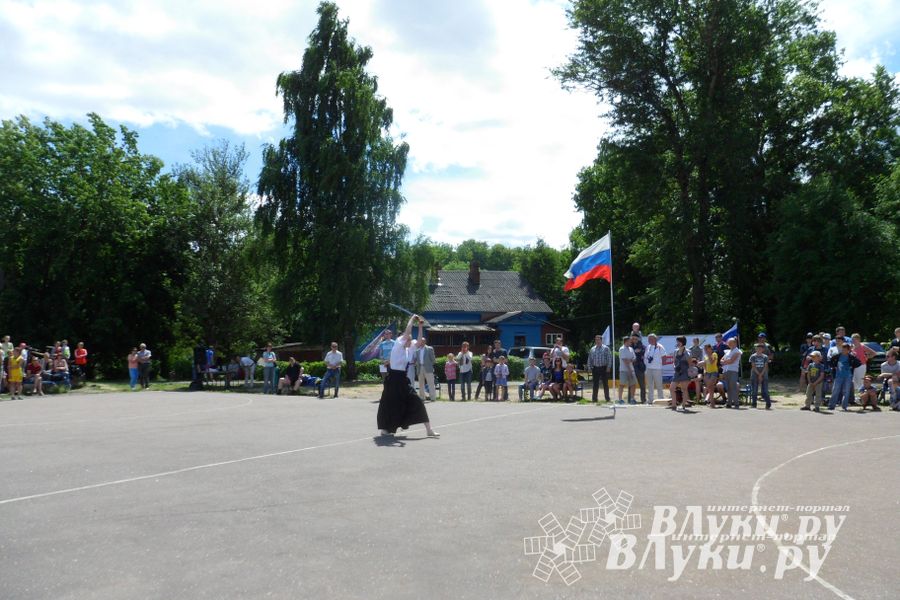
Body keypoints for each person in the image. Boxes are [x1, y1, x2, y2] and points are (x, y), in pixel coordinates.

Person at [377, 315, 439, 437]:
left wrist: (420, 326)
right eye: (409, 340)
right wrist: (412, 318)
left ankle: (429, 430)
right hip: (393, 379)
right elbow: (408, 331)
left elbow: (419, 342)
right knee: (389, 404)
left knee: (418, 401)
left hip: (403, 379)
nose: (411, 342)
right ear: (403, 340)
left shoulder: (408, 350)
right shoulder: (397, 346)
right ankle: (385, 428)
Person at [828, 343, 860, 411]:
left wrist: (852, 366)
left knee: (846, 391)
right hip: (838, 376)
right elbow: (830, 362)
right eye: (842, 349)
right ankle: (831, 405)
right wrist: (834, 367)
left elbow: (858, 363)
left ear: (848, 350)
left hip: (848, 376)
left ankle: (844, 406)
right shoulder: (837, 356)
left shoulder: (851, 357)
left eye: (845, 350)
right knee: (835, 390)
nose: (843, 351)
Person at [587, 334, 612, 403]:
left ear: (601, 340)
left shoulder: (606, 348)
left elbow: (609, 358)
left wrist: (608, 367)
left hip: (604, 368)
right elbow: (589, 359)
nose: (597, 341)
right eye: (596, 340)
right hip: (595, 368)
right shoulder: (592, 349)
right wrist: (589, 367)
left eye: (598, 339)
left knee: (605, 384)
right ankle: (594, 399)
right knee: (595, 384)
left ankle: (607, 398)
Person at [669, 336, 692, 410]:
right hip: (677, 372)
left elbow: (690, 363)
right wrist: (674, 366)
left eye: (679, 341)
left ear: (682, 342)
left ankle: (683, 405)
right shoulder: (675, 351)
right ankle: (674, 404)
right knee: (672, 388)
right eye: (677, 341)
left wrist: (685, 352)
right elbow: (674, 362)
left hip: (685, 372)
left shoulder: (687, 351)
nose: (677, 343)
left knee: (684, 389)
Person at [720, 337, 742, 409]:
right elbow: (721, 360)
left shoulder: (737, 351)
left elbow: (731, 361)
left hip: (733, 371)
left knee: (733, 387)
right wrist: (725, 361)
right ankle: (729, 403)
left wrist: (724, 361)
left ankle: (736, 403)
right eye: (728, 343)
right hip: (726, 371)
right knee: (728, 388)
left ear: (735, 343)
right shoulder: (728, 351)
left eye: (730, 343)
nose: (729, 344)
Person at [643, 333, 665, 404]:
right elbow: (645, 357)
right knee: (649, 385)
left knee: (659, 385)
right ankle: (650, 400)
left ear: (655, 339)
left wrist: (660, 364)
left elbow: (664, 357)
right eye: (649, 339)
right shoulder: (648, 347)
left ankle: (661, 399)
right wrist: (646, 363)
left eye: (651, 339)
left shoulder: (660, 346)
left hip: (657, 368)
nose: (649, 340)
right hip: (648, 368)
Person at [748, 342, 772, 409]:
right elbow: (753, 366)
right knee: (754, 390)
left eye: (760, 348)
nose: (759, 349)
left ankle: (768, 403)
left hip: (764, 375)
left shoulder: (765, 357)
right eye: (757, 348)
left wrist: (761, 375)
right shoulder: (753, 356)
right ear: (755, 349)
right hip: (754, 375)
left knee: (765, 390)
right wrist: (759, 374)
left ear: (763, 349)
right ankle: (754, 404)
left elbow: (765, 366)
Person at [414, 336, 437, 403]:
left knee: (431, 383)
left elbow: (433, 360)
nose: (421, 342)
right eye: (421, 341)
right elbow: (417, 360)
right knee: (421, 384)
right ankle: (422, 397)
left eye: (423, 341)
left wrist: (429, 365)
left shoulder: (429, 349)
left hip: (428, 367)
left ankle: (433, 397)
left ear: (425, 342)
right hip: (420, 367)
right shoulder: (417, 350)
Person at [617, 336, 637, 404]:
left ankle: (632, 399)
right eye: (629, 341)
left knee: (633, 384)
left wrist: (630, 360)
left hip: (631, 369)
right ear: (625, 341)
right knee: (622, 384)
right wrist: (629, 370)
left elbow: (634, 358)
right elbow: (625, 360)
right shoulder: (622, 349)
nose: (631, 342)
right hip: (624, 370)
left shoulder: (631, 349)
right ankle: (620, 399)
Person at [631, 332, 647, 403]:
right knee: (631, 384)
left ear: (638, 339)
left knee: (642, 385)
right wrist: (636, 352)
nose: (634, 340)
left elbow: (644, 354)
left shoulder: (643, 346)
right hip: (631, 367)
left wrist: (638, 352)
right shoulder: (630, 346)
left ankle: (643, 400)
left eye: (635, 339)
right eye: (633, 338)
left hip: (640, 368)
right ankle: (630, 399)